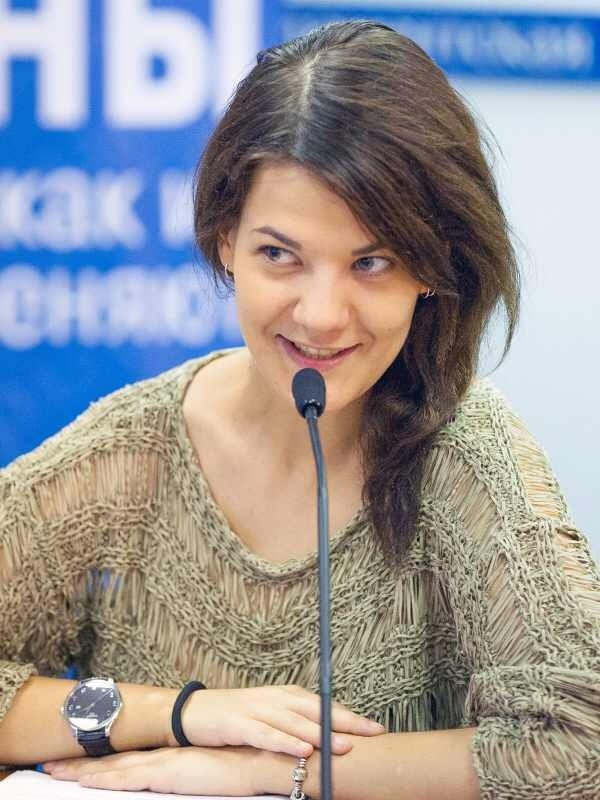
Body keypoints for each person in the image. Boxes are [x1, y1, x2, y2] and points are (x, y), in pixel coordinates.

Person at [0, 18, 599, 800]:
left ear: (435, 266)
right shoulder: (124, 456)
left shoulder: (468, 458)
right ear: (225, 240)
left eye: (372, 262)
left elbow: (579, 745)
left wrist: (270, 770)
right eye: (279, 254)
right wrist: (180, 715)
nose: (320, 315)